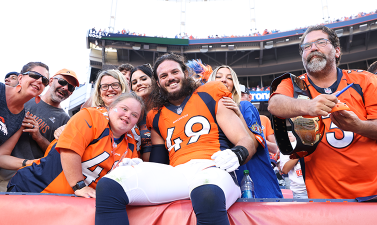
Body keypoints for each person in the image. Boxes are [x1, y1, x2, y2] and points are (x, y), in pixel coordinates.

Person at [95, 53, 258, 225]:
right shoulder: (155, 114)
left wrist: (237, 154)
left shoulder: (211, 91)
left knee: (206, 194)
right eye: (164, 76)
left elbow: (246, 140)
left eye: (174, 72)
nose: (170, 78)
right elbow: (159, 162)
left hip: (212, 168)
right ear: (158, 83)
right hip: (178, 174)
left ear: (185, 73)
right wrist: (140, 166)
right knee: (111, 185)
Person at [268, 25, 377, 199]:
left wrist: (359, 126)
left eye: (321, 42)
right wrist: (309, 106)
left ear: (337, 51)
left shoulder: (365, 80)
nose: (313, 48)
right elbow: (275, 104)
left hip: (372, 193)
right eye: (306, 46)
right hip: (323, 197)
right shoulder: (294, 84)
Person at [7, 92, 145, 197]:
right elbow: (69, 150)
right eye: (124, 109)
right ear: (111, 107)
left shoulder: (131, 143)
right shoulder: (91, 116)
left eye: (134, 115)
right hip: (35, 188)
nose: (128, 115)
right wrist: (79, 186)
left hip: (68, 203)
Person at [0, 69, 79, 192]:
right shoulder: (26, 96)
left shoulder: (66, 120)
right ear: (51, 81)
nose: (65, 88)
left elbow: (57, 153)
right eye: (62, 82)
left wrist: (39, 137)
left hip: (21, 174)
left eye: (71, 88)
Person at [208, 66, 282, 198]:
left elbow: (255, 144)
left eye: (229, 78)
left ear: (234, 85)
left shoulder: (244, 106)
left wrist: (239, 116)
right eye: (218, 76)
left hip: (255, 180)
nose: (224, 80)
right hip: (224, 184)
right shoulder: (204, 115)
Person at [0, 62, 49, 188]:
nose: (39, 81)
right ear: (20, 78)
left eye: (44, 81)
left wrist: (33, 162)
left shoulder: (22, 118)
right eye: (35, 75)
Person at [130, 64, 154, 161]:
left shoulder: (167, 106)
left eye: (143, 79)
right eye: (134, 82)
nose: (139, 84)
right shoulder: (132, 114)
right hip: (142, 170)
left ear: (154, 80)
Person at [279, 132, 308, 199]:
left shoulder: (314, 143)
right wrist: (300, 153)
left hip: (316, 188)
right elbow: (285, 170)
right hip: (300, 191)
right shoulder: (286, 147)